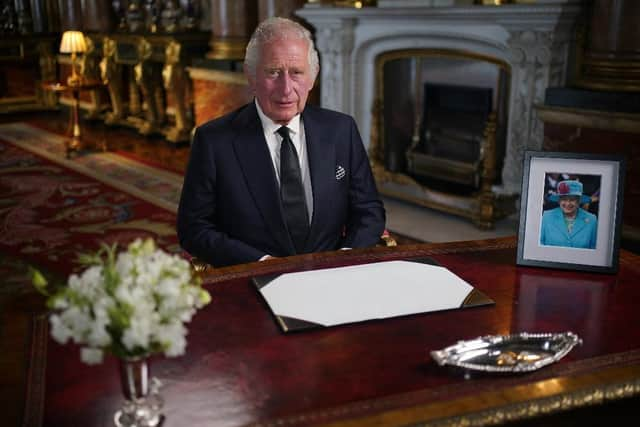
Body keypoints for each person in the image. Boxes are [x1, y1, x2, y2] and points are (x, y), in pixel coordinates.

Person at [177, 17, 386, 267]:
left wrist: (344, 257)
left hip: (332, 275)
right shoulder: (214, 141)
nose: (286, 89)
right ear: (251, 76)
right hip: (253, 279)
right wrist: (261, 263)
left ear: (313, 77)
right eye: (273, 72)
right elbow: (194, 228)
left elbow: (369, 210)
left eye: (297, 73)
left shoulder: (341, 130)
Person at [539, 180, 597, 249]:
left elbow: (594, 251)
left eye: (572, 200)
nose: (567, 203)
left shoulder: (591, 220)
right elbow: (540, 246)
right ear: (559, 200)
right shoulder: (547, 217)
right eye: (564, 199)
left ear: (579, 201)